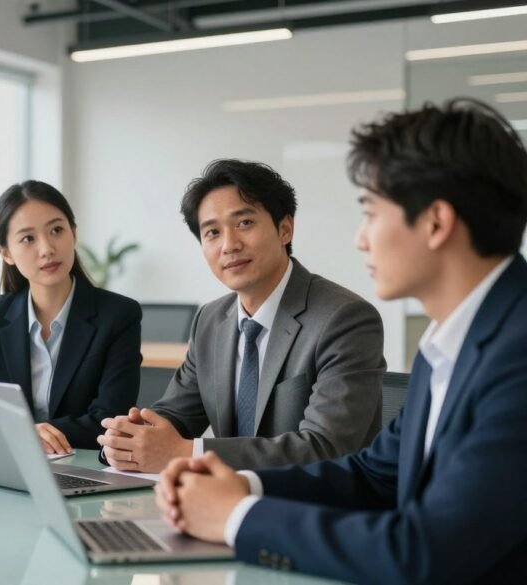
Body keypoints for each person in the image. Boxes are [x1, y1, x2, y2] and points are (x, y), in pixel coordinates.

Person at [155, 98, 527, 584]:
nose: (360, 239)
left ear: (436, 222)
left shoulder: (516, 355)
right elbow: (373, 475)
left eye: (371, 213)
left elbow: (426, 551)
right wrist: (238, 484)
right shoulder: (452, 344)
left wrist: (235, 517)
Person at [98, 159, 385, 472]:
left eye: (244, 223)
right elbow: (175, 417)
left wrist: (189, 452)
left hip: (315, 509)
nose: (229, 245)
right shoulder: (210, 320)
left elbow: (325, 448)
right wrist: (127, 440)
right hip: (223, 503)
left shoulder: (344, 319)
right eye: (212, 233)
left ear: (285, 228)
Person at [0, 180, 141, 452]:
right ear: (6, 253)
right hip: (6, 467)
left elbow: (109, 419)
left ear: (73, 234)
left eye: (56, 230)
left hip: (83, 467)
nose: (47, 249)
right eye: (28, 238)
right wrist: (24, 434)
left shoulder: (118, 315)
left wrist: (28, 435)